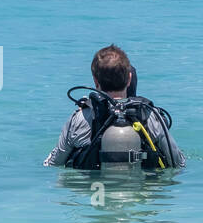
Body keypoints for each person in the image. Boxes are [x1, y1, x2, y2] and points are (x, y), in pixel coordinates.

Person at [44, 45, 184, 169]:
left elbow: (53, 163)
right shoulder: (149, 116)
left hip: (96, 194)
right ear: (129, 79)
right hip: (139, 193)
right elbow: (178, 163)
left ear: (95, 81)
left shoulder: (79, 119)